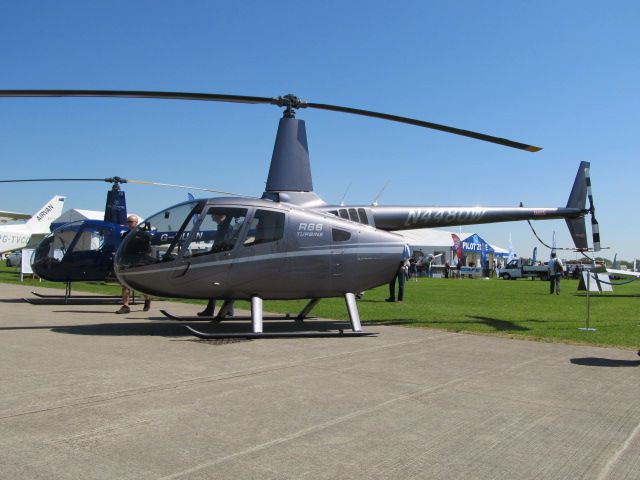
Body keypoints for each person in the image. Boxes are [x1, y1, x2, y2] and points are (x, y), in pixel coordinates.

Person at [116, 215, 151, 314]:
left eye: (131, 221)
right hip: (127, 262)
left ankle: (147, 299)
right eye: (128, 222)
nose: (130, 223)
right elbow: (121, 249)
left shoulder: (144, 235)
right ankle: (125, 306)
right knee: (125, 284)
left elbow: (148, 251)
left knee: (140, 285)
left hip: (139, 262)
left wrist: (143, 262)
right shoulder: (125, 235)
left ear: (136, 223)